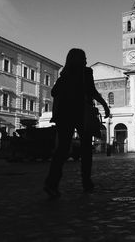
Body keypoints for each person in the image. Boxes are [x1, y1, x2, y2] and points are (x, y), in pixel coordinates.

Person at [44, 48, 110, 198]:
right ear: (79, 59)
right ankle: (86, 182)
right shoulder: (86, 72)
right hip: (81, 114)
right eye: (84, 58)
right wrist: (104, 105)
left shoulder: (64, 74)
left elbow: (54, 92)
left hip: (64, 115)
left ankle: (51, 183)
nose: (86, 60)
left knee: (62, 149)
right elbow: (92, 91)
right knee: (86, 149)